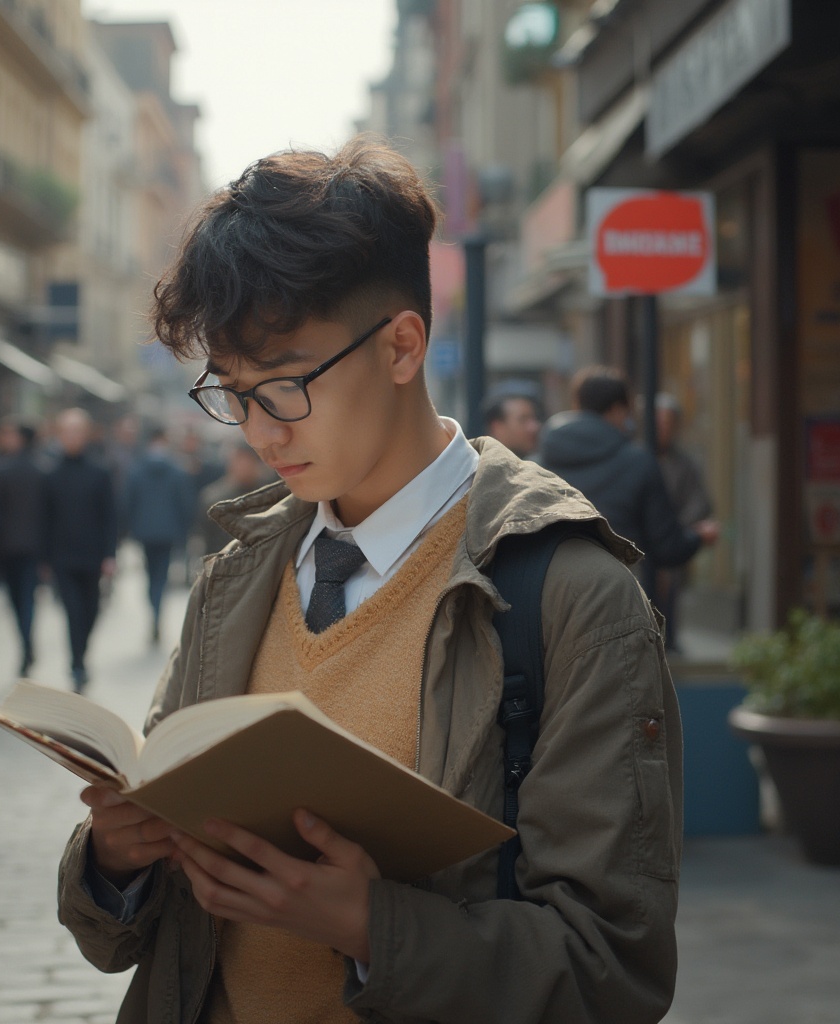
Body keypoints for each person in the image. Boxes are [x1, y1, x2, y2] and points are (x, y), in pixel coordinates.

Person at [57, 138, 682, 1024]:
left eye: (284, 386)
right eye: (232, 392)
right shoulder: (239, 577)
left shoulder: (572, 596)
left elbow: (611, 972)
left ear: (401, 345)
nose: (258, 432)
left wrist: (367, 926)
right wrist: (114, 860)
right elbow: (122, 936)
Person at [537, 365, 719, 597]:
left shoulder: (539, 460)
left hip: (550, 590)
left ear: (577, 405)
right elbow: (667, 547)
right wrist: (699, 536)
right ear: (617, 409)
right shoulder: (638, 462)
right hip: (616, 592)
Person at [44, 408, 117, 692]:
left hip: (93, 555)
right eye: (67, 432)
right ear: (59, 435)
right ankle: (77, 663)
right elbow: (45, 519)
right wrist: (44, 558)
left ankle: (81, 655)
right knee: (73, 612)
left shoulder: (99, 472)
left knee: (91, 610)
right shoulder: (50, 474)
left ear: (86, 435)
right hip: (62, 557)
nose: (72, 437)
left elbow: (109, 515)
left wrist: (110, 554)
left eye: (77, 431)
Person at [122, 424, 195, 643]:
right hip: (168, 532)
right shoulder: (176, 470)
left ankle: (153, 611)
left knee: (150, 575)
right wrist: (185, 530)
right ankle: (157, 612)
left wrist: (129, 529)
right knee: (161, 576)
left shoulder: (137, 470)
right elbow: (186, 504)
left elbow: (127, 503)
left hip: (145, 532)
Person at [654, 392, 714, 652]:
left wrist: (678, 527)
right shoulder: (636, 458)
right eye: (659, 422)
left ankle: (670, 639)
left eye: (669, 423)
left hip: (672, 537)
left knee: (670, 592)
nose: (664, 429)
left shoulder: (685, 463)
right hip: (639, 541)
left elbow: (699, 502)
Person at [0, 417, 48, 675]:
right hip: (34, 547)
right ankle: (27, 644)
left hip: (8, 548)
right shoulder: (43, 470)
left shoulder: (0, 470)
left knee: (17, 601)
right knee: (27, 600)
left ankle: (25, 644)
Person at [192, 439, 273, 557]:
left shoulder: (269, 493)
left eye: (246, 460)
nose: (241, 466)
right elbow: (204, 536)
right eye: (237, 460)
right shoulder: (214, 496)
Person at [481, 380, 543, 458]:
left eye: (535, 418)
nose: (534, 427)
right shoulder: (478, 467)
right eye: (523, 420)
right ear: (497, 427)